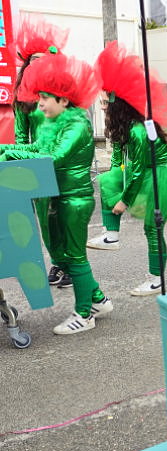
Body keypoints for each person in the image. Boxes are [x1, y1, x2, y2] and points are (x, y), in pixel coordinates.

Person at [0, 53, 112, 334]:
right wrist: (5, 150)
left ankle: (84, 314)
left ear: (63, 99)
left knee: (75, 256)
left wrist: (10, 153)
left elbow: (53, 157)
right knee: (62, 254)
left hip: (74, 200)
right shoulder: (56, 121)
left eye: (45, 98)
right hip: (56, 195)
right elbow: (37, 147)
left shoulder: (77, 124)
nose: (39, 104)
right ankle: (98, 299)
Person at [93, 42, 167, 296]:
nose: (102, 106)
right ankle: (111, 234)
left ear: (119, 105)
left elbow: (139, 171)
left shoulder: (138, 131)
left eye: (106, 101)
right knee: (107, 179)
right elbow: (120, 158)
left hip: (164, 175)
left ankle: (157, 279)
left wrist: (123, 202)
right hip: (150, 171)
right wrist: (117, 171)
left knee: (152, 227)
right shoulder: (125, 127)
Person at [12, 15, 70, 288]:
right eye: (33, 60)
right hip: (38, 163)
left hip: (63, 164)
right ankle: (58, 261)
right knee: (46, 221)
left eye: (43, 60)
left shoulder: (58, 95)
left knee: (66, 218)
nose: (38, 65)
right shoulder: (21, 98)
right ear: (26, 65)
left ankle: (71, 263)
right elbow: (22, 136)